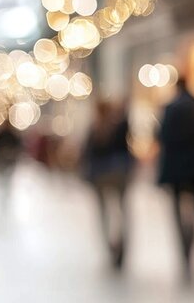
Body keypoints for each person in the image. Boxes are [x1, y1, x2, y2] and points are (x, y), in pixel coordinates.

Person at [158, 79, 194, 279]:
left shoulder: (171, 108)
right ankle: (190, 237)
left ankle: (184, 242)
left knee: (176, 208)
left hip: (176, 168)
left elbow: (162, 136)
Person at [83, 101, 133, 270]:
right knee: (121, 210)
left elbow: (87, 154)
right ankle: (121, 243)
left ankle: (110, 245)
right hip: (118, 174)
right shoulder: (118, 127)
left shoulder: (95, 128)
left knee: (103, 213)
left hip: (100, 175)